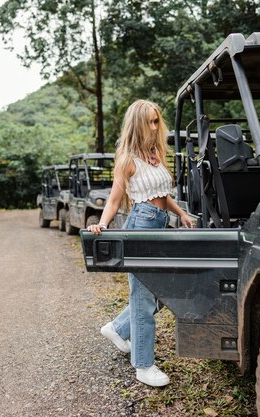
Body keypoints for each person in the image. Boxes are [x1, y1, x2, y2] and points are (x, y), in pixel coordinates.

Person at [87, 99, 195, 387]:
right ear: (137, 124)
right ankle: (143, 365)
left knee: (166, 289)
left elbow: (163, 193)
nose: (155, 126)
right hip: (142, 223)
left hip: (160, 223)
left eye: (157, 120)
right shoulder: (127, 161)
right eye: (149, 121)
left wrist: (181, 214)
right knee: (144, 297)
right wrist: (103, 224)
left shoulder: (155, 155)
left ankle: (118, 328)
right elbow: (114, 198)